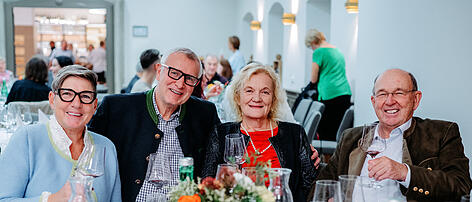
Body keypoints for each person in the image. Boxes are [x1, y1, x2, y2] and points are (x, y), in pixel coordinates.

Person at [311, 69, 472, 201]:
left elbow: (460, 186)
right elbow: (321, 186)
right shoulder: (351, 137)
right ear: (374, 102)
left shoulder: (440, 134)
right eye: (382, 94)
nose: (389, 101)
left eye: (399, 93)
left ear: (416, 99)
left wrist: (404, 172)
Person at [88, 48, 221, 201]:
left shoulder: (204, 113)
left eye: (189, 79)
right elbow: (86, 155)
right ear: (158, 72)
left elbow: (218, 157)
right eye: (174, 73)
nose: (180, 84)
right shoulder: (117, 109)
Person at [0, 65, 121, 201]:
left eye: (85, 96)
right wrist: (52, 199)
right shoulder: (26, 140)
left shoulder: (106, 148)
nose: (76, 103)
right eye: (67, 94)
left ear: (94, 105)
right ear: (52, 99)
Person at [202, 63, 317, 202]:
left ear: (273, 99)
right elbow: (208, 184)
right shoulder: (221, 134)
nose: (257, 98)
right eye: (249, 91)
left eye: (265, 92)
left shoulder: (294, 133)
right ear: (238, 97)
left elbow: (309, 187)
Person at [304, 28, 352, 141]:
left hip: (329, 94)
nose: (312, 49)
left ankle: (326, 158)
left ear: (313, 42)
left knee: (326, 133)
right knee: (339, 131)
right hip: (345, 93)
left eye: (311, 46)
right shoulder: (337, 51)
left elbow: (313, 78)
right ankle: (337, 157)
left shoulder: (318, 52)